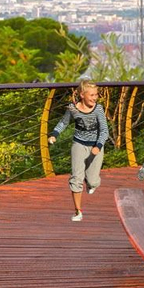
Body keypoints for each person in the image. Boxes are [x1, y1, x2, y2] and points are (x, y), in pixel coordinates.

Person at [47, 80, 109, 222]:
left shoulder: (98, 109)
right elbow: (63, 122)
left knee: (93, 181)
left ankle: (91, 182)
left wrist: (98, 146)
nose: (94, 98)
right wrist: (54, 134)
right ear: (82, 95)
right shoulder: (73, 108)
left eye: (96, 95)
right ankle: (78, 212)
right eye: (91, 95)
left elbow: (104, 131)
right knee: (76, 177)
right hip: (79, 144)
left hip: (96, 145)